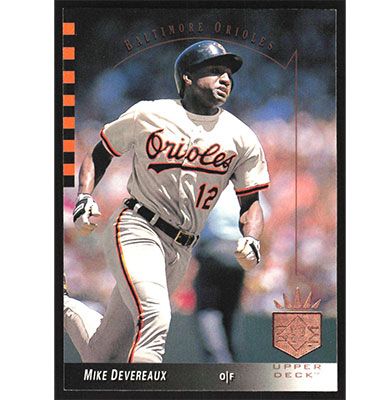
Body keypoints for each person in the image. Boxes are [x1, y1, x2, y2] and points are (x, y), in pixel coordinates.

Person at [64, 40, 270, 363]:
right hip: (138, 226)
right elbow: (100, 153)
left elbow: (250, 202)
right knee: (156, 316)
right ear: (187, 77)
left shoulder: (241, 137)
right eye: (215, 70)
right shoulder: (150, 113)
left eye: (229, 73)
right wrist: (85, 196)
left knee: (102, 354)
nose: (226, 78)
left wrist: (252, 237)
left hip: (182, 249)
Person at [193, 183, 245, 363]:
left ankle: (218, 357)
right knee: (230, 309)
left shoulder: (208, 184)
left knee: (208, 308)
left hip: (213, 251)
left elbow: (195, 219)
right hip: (239, 253)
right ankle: (230, 357)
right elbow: (262, 216)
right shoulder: (244, 186)